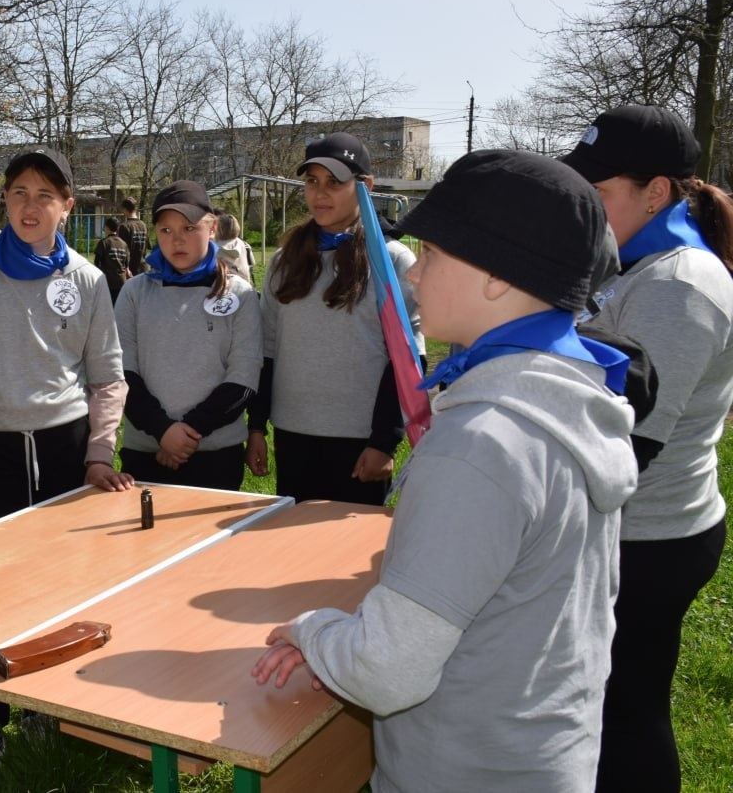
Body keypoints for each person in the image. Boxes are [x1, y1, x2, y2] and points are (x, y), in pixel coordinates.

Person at [252, 149, 638, 791]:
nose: (415, 276)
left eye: (429, 254)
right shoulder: (566, 398)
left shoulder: (482, 443)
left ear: (494, 277)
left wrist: (312, 628)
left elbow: (387, 670)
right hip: (537, 752)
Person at [0, 145, 135, 791]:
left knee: (66, 590)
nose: (30, 205)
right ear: (4, 201)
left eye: (45, 194)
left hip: (65, 450)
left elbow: (107, 375)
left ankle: (53, 714)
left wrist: (98, 451)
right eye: (18, 191)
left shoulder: (89, 280)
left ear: (67, 206)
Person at [560, 104, 733, 793]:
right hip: (626, 527)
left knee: (627, 708)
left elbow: (630, 447)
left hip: (650, 536)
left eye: (597, 192)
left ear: (656, 191)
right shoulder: (630, 262)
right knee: (601, 702)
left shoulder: (678, 287)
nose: (583, 207)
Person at [245, 132, 420, 506]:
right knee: (291, 550)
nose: (320, 193)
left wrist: (384, 441)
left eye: (335, 183)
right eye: (312, 182)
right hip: (294, 434)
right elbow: (268, 349)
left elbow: (406, 359)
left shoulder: (393, 260)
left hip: (360, 443)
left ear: (365, 186)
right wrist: (257, 426)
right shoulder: (283, 261)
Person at [115, 181, 261, 489]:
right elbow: (122, 373)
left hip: (216, 455)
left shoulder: (240, 294)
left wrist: (189, 433)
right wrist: (163, 431)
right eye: (165, 230)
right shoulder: (134, 293)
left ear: (212, 228)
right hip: (146, 454)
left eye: (189, 228)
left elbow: (244, 376)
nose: (177, 240)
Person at [92, 215, 131, 304]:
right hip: (121, 282)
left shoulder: (104, 243)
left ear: (107, 227)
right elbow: (126, 263)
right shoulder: (124, 243)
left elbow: (97, 263)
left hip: (108, 282)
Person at [214, 210, 255, 286]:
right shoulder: (245, 244)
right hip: (246, 288)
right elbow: (252, 264)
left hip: (222, 290)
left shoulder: (212, 247)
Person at [119, 195, 150, 274]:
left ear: (125, 209)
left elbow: (122, 251)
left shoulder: (124, 226)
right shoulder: (144, 225)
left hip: (131, 270)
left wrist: (126, 269)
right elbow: (146, 247)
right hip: (144, 268)